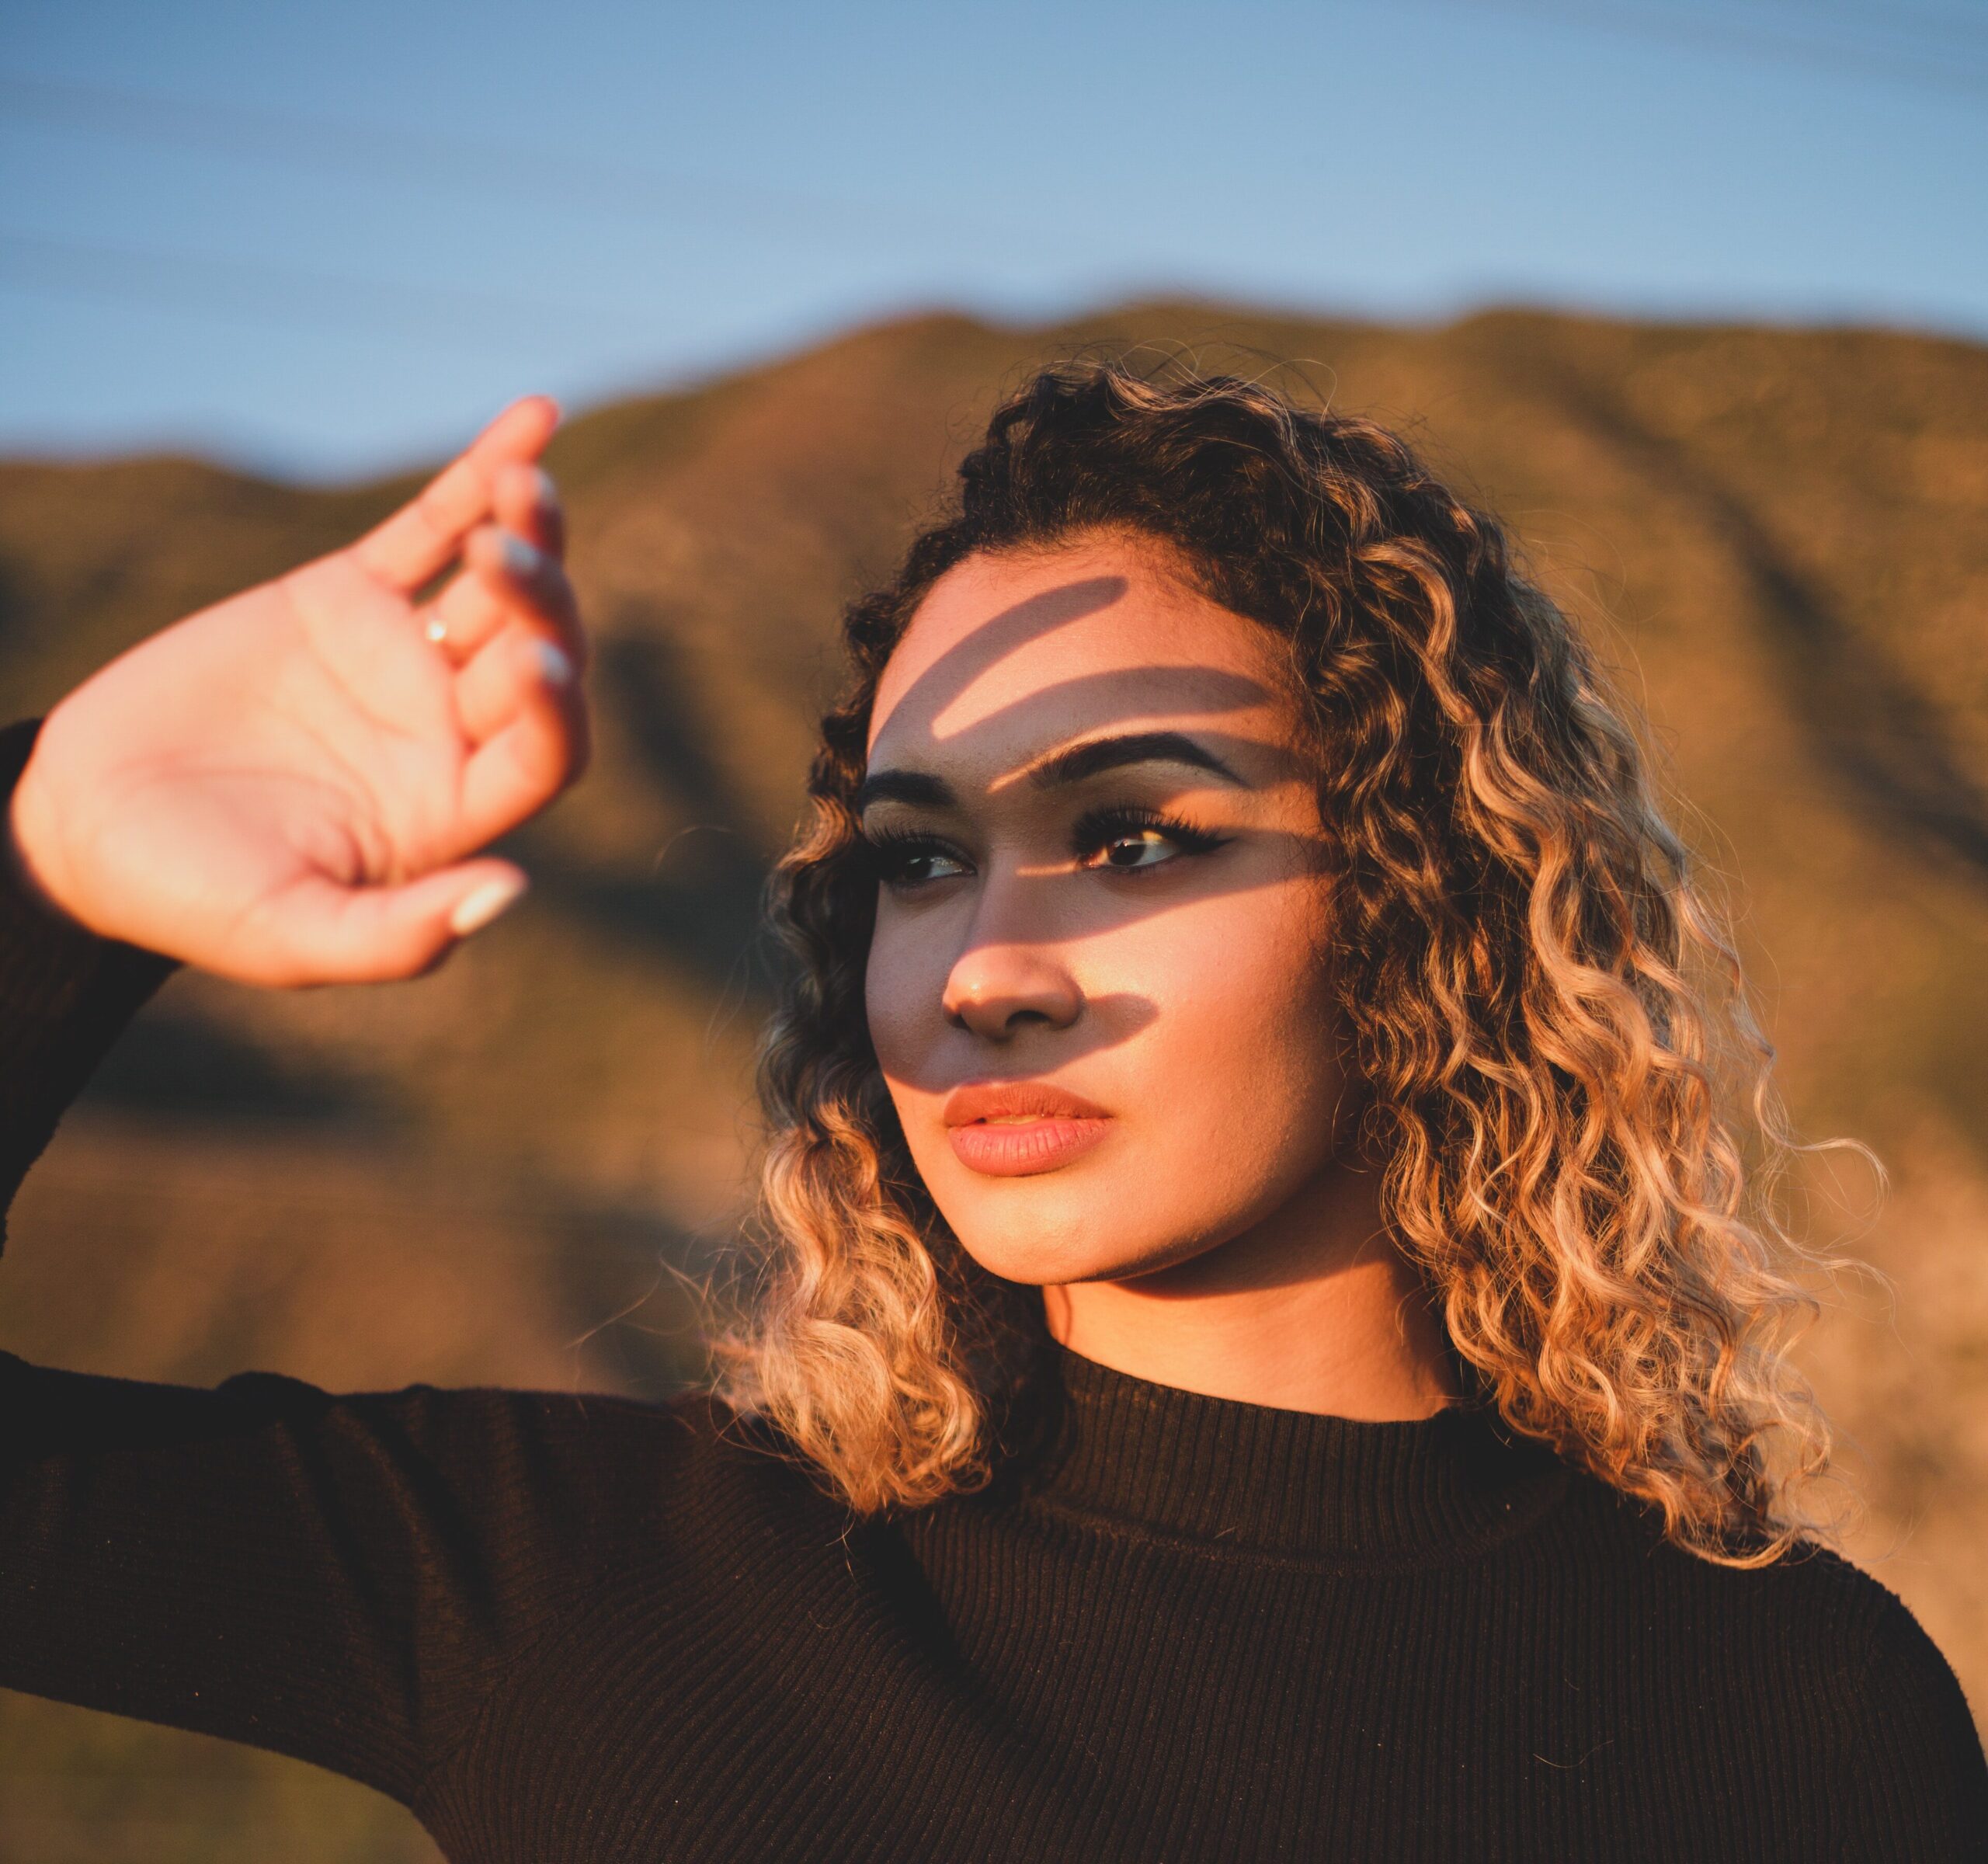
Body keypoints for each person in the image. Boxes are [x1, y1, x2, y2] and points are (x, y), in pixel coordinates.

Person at [2, 365, 1983, 1862]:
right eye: (918, 861)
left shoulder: (1798, 1714)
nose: (977, 969)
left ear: (1420, 907)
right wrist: (49, 871)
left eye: (1129, 840)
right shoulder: (572, 1583)